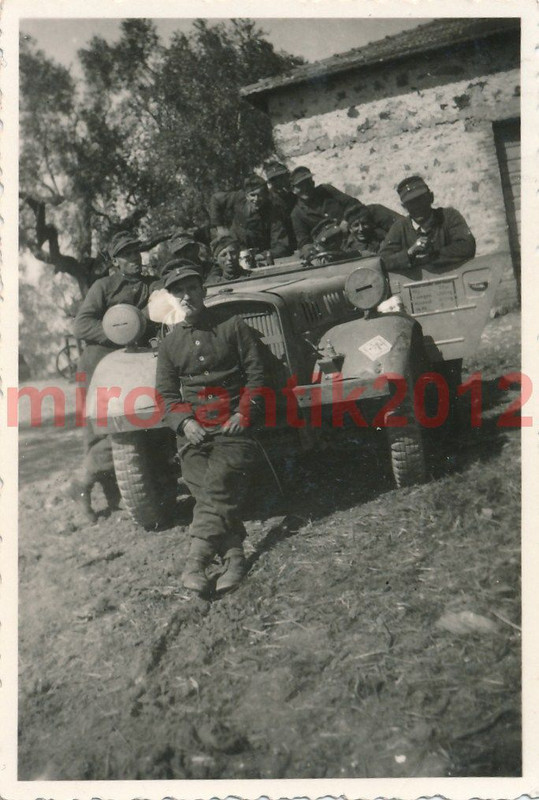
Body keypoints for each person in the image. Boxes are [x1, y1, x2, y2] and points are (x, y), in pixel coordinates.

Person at [155, 265, 266, 595]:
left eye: (191, 288)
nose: (186, 296)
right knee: (205, 489)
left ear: (203, 291)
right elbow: (165, 394)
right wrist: (185, 423)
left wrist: (243, 413)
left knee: (216, 486)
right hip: (193, 436)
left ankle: (196, 562)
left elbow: (257, 376)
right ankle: (235, 557)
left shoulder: (232, 327)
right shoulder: (170, 343)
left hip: (232, 429)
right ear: (172, 299)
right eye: (179, 292)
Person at [72, 231, 155, 522]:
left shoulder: (151, 286)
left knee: (132, 423)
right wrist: (119, 332)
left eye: (137, 252)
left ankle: (113, 492)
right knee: (99, 431)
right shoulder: (103, 286)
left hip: (136, 363)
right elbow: (82, 325)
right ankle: (82, 491)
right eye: (127, 254)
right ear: (116, 261)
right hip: (99, 364)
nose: (135, 258)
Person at [378, 175, 476, 271]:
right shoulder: (400, 228)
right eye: (411, 203)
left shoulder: (448, 216)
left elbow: (467, 246)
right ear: (404, 207)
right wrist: (409, 253)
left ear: (431, 197)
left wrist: (429, 257)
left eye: (420, 199)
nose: (417, 207)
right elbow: (381, 262)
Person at [209, 174, 293, 259]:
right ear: (246, 195)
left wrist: (261, 256)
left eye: (260, 195)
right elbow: (215, 199)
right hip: (233, 247)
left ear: (266, 194)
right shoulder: (238, 197)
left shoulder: (273, 213)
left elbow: (281, 246)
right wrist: (220, 227)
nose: (256, 199)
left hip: (257, 252)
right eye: (252, 195)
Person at [289, 166, 363, 259]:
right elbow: (303, 241)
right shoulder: (297, 214)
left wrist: (346, 220)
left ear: (313, 183)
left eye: (307, 183)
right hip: (329, 251)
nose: (305, 188)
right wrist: (310, 251)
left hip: (352, 237)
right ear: (293, 190)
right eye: (300, 186)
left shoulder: (327, 190)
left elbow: (353, 203)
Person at [264, 160, 297, 252]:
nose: (280, 182)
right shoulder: (268, 201)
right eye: (274, 180)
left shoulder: (295, 196)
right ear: (270, 182)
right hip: (277, 246)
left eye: (282, 177)